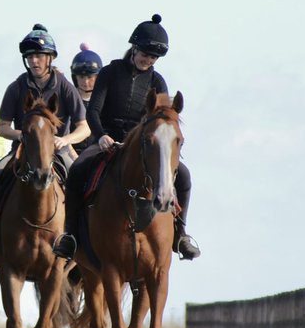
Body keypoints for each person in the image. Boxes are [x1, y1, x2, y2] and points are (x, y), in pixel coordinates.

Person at [52, 14, 200, 261]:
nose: (147, 60)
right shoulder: (111, 72)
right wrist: (101, 136)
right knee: (78, 169)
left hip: (140, 147)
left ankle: (181, 235)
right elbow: (93, 111)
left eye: (153, 57)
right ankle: (70, 236)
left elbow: (161, 120)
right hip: (107, 142)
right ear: (134, 47)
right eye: (144, 54)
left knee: (183, 175)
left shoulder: (157, 82)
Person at [0, 24, 91, 261]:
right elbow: (2, 127)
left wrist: (65, 139)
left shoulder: (64, 86)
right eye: (30, 56)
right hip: (22, 151)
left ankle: (74, 237)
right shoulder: (16, 87)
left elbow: (84, 128)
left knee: (80, 184)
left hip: (58, 150)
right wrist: (22, 136)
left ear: (49, 58)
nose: (34, 61)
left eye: (39, 56)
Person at [69, 43, 103, 154]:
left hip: (98, 152)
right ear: (75, 77)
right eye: (81, 77)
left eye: (89, 77)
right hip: (70, 152)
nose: (85, 82)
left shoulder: (105, 101)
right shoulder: (68, 100)